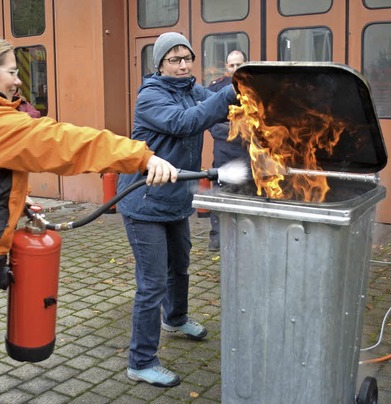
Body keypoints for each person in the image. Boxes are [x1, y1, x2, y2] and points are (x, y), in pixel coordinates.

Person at [0, 32, 178, 404]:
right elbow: (64, 141)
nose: (17, 80)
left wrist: (15, 202)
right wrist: (142, 157)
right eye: (11, 72)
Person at [116, 32, 237, 387]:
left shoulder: (192, 90)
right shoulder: (150, 96)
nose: (184, 65)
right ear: (160, 64)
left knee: (180, 266)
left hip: (175, 201)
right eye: (175, 59)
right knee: (152, 283)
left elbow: (215, 111)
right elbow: (186, 122)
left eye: (187, 58)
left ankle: (176, 318)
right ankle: (140, 361)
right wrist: (230, 92)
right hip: (144, 203)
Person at [207, 50, 250, 251]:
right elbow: (213, 125)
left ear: (245, 64)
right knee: (221, 194)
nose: (235, 69)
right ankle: (217, 238)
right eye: (231, 65)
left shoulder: (256, 89)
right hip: (224, 152)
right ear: (226, 67)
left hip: (248, 154)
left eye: (238, 65)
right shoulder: (215, 89)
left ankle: (245, 237)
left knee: (248, 194)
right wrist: (241, 130)